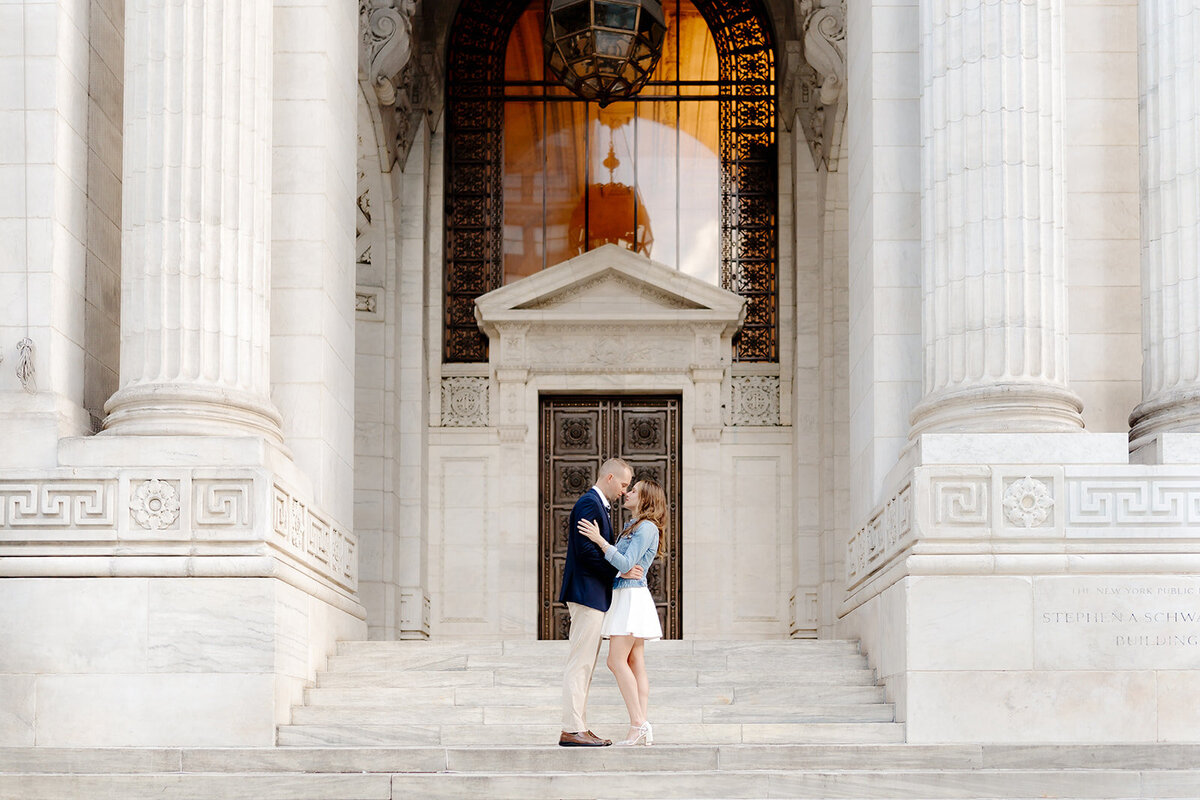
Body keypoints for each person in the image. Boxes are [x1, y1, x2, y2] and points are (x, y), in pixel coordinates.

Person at [557, 457, 639, 747]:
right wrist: (620, 569)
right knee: (580, 663)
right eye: (624, 484)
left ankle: (579, 725)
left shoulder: (597, 505)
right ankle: (571, 728)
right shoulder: (588, 504)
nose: (624, 491)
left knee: (586, 664)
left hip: (593, 594)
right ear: (609, 479)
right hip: (586, 593)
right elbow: (586, 553)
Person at [577, 478, 665, 747]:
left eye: (634, 490)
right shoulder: (633, 526)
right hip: (625, 594)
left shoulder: (647, 528)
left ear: (646, 499)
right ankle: (640, 725)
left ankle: (639, 723)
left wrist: (599, 540)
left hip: (631, 596)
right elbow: (623, 565)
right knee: (635, 662)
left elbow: (627, 562)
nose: (627, 493)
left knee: (616, 661)